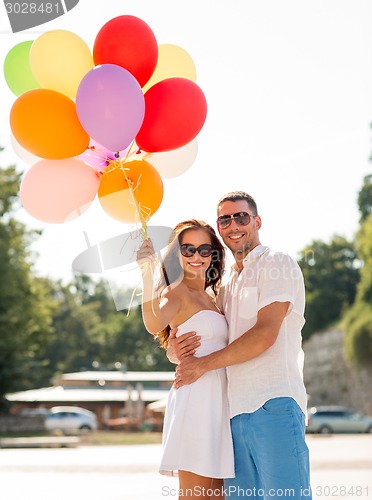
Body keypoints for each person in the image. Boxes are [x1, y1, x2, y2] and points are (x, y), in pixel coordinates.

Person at [171, 192, 312, 500]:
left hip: (273, 403)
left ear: (257, 221)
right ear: (220, 229)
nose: (233, 225)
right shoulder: (226, 285)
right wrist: (174, 349)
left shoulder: (276, 263)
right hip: (233, 415)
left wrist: (201, 366)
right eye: (225, 219)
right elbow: (203, 333)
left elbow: (265, 334)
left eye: (241, 217)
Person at [136, 219, 235, 500]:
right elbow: (154, 323)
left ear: (214, 254)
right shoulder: (176, 292)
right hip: (197, 402)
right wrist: (146, 274)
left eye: (204, 249)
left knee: (216, 497)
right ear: (177, 254)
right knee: (196, 496)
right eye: (188, 249)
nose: (196, 256)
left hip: (221, 403)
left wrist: (172, 352)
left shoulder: (213, 297)